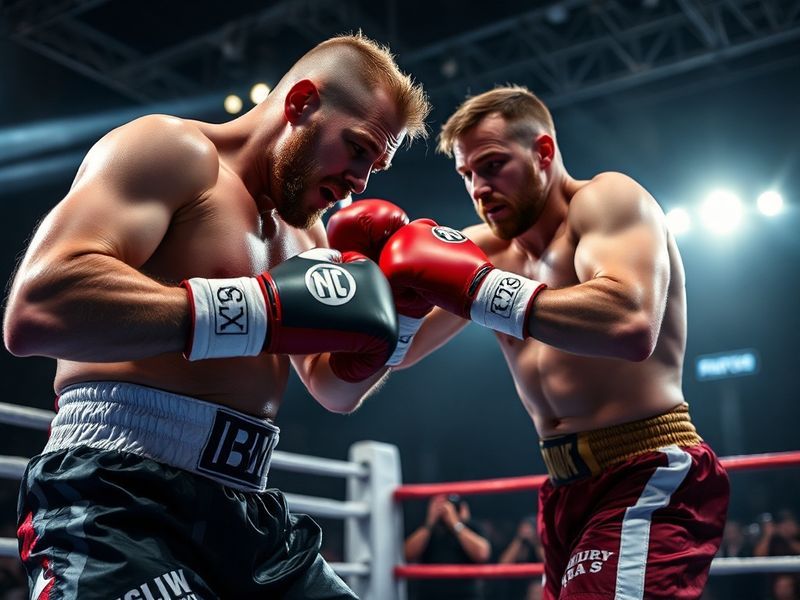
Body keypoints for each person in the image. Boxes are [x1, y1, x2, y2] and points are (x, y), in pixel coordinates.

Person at [3, 33, 430, 599]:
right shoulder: (174, 152)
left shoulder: (310, 234)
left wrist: (400, 318)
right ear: (301, 103)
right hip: (117, 491)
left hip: (246, 508)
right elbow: (37, 306)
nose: (360, 181)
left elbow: (333, 390)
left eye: (376, 165)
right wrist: (253, 308)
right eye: (356, 148)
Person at [326, 85, 730, 599]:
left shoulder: (605, 201)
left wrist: (481, 291)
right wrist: (383, 305)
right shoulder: (482, 250)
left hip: (647, 469)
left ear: (543, 152)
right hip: (563, 489)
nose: (479, 188)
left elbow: (630, 322)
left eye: (493, 166)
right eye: (467, 174)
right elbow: (401, 354)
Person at [404, 494, 491, 600]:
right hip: (430, 596)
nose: (448, 511)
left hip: (466, 595)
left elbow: (482, 553)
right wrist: (429, 524)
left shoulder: (471, 527)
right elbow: (407, 554)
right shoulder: (426, 529)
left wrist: (455, 524)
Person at [497, 515, 544, 599]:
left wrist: (535, 541)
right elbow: (502, 566)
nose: (526, 531)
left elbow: (547, 561)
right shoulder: (516, 544)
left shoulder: (539, 544)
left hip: (538, 587)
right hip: (517, 590)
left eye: (529, 528)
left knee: (536, 588)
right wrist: (520, 539)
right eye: (524, 528)